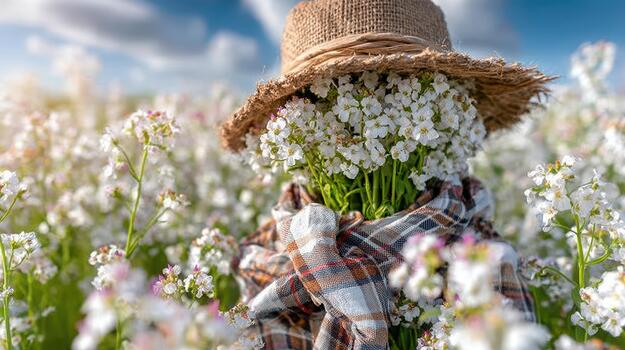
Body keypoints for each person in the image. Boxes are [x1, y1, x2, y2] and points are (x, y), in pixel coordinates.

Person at [221, 0, 553, 349]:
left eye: (392, 83)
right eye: (333, 90)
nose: (372, 91)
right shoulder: (280, 256)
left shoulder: (475, 257)